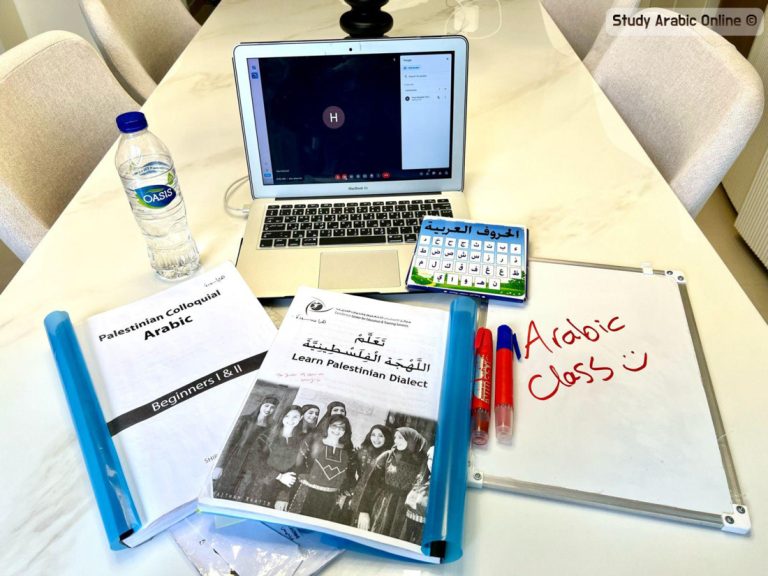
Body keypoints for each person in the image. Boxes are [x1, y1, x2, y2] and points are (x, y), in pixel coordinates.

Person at [356, 427, 427, 539]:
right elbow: (371, 485)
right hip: (382, 505)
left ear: (411, 440)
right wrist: (364, 511)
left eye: (400, 438)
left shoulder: (422, 462)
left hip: (404, 511)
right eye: (395, 437)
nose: (396, 441)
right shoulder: (388, 456)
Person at [288, 414, 355, 520]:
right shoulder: (312, 443)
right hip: (306, 494)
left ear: (345, 431)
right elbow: (297, 467)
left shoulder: (348, 451)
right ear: (327, 426)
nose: (337, 430)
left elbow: (349, 477)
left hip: (330, 499)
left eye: (341, 428)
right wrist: (283, 496)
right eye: (334, 426)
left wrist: (344, 495)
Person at [212, 396, 279, 499]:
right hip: (235, 458)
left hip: (253, 462)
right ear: (261, 405)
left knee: (241, 492)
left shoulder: (272, 426)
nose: (268, 409)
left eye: (272, 407)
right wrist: (220, 465)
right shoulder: (244, 420)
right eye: (266, 405)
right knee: (223, 488)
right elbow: (230, 442)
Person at [241, 405, 304, 509]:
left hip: (280, 490)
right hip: (259, 485)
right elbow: (254, 460)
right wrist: (279, 476)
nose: (290, 420)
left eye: (295, 417)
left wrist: (283, 496)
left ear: (301, 418)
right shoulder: (266, 435)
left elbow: (295, 469)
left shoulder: (301, 441)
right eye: (287, 416)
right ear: (282, 416)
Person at [344, 424, 394, 524]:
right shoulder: (362, 452)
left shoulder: (390, 456)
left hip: (378, 496)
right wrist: (351, 488)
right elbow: (349, 472)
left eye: (380, 436)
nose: (376, 439)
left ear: (387, 438)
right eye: (373, 435)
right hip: (358, 493)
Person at [400, 445, 433, 544]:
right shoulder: (423, 477)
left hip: (425, 527)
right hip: (410, 521)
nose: (433, 463)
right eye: (431, 459)